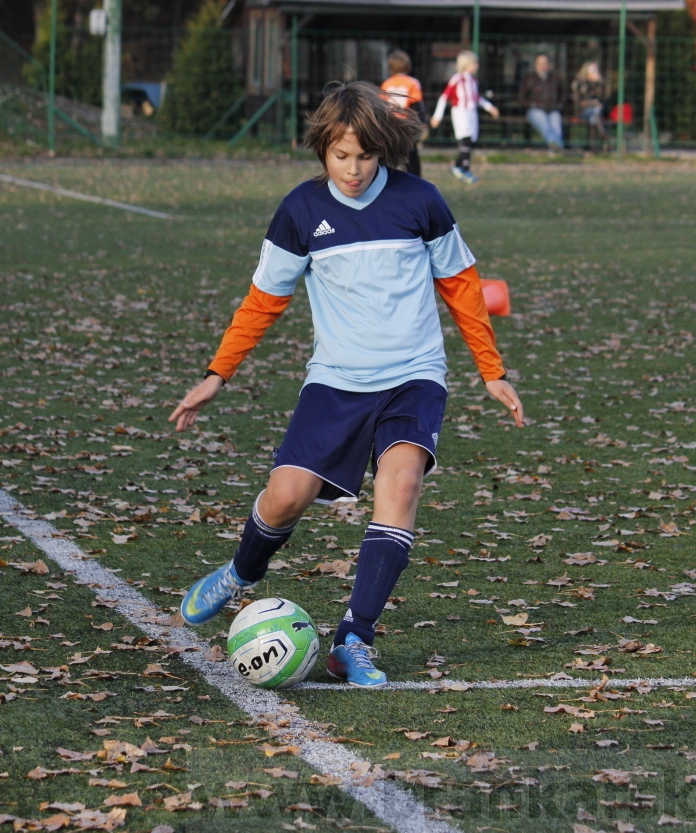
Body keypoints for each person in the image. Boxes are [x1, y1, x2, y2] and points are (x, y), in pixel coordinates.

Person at [171, 81, 525, 688]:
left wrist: (490, 371)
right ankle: (239, 573)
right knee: (286, 496)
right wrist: (216, 374)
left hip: (413, 377)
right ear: (322, 151)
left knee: (403, 482)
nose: (354, 169)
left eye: (365, 155)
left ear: (383, 149)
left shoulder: (422, 201)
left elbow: (463, 287)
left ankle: (353, 641)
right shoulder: (301, 212)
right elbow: (263, 302)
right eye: (341, 156)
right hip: (336, 380)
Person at [431, 50, 500, 184]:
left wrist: (490, 107)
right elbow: (444, 97)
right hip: (460, 112)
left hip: (472, 113)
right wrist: (437, 116)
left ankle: (458, 166)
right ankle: (464, 168)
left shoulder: (473, 81)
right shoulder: (457, 79)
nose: (477, 66)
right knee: (465, 138)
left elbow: (477, 98)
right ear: (466, 64)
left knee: (471, 140)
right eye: (474, 63)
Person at [381, 50, 427, 176]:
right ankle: (415, 179)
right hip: (406, 124)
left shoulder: (387, 83)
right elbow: (417, 104)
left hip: (391, 124)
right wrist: (422, 122)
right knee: (411, 154)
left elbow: (382, 105)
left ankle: (387, 178)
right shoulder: (412, 83)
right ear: (408, 66)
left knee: (390, 153)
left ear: (391, 68)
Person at [518, 53, 565, 155]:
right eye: (540, 63)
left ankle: (554, 150)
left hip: (553, 109)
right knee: (544, 123)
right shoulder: (529, 78)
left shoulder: (555, 78)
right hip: (535, 110)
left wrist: (559, 104)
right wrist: (531, 105)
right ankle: (556, 146)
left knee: (556, 124)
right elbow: (521, 97)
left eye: (545, 63)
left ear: (549, 64)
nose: (543, 65)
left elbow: (562, 94)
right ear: (536, 65)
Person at [572, 61, 607, 149]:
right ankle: (603, 136)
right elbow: (578, 102)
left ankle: (592, 146)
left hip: (595, 113)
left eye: (596, 70)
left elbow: (602, 99)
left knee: (594, 116)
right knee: (595, 111)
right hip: (581, 111)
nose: (595, 72)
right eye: (592, 69)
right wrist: (592, 103)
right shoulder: (579, 83)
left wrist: (598, 84)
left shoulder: (598, 84)